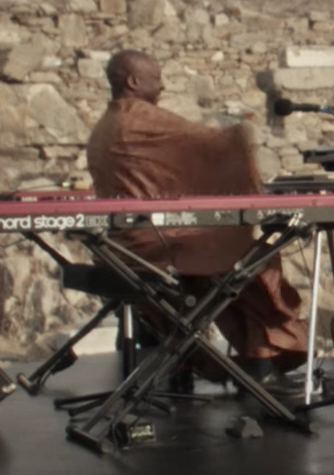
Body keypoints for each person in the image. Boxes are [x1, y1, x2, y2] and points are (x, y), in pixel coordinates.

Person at [85, 50, 307, 373]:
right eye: (157, 78)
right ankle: (261, 361)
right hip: (154, 247)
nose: (162, 87)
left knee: (232, 260)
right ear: (133, 81)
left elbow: (161, 173)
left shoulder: (105, 125)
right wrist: (244, 141)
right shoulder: (140, 118)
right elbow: (215, 143)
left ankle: (227, 360)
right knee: (255, 260)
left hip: (122, 247)